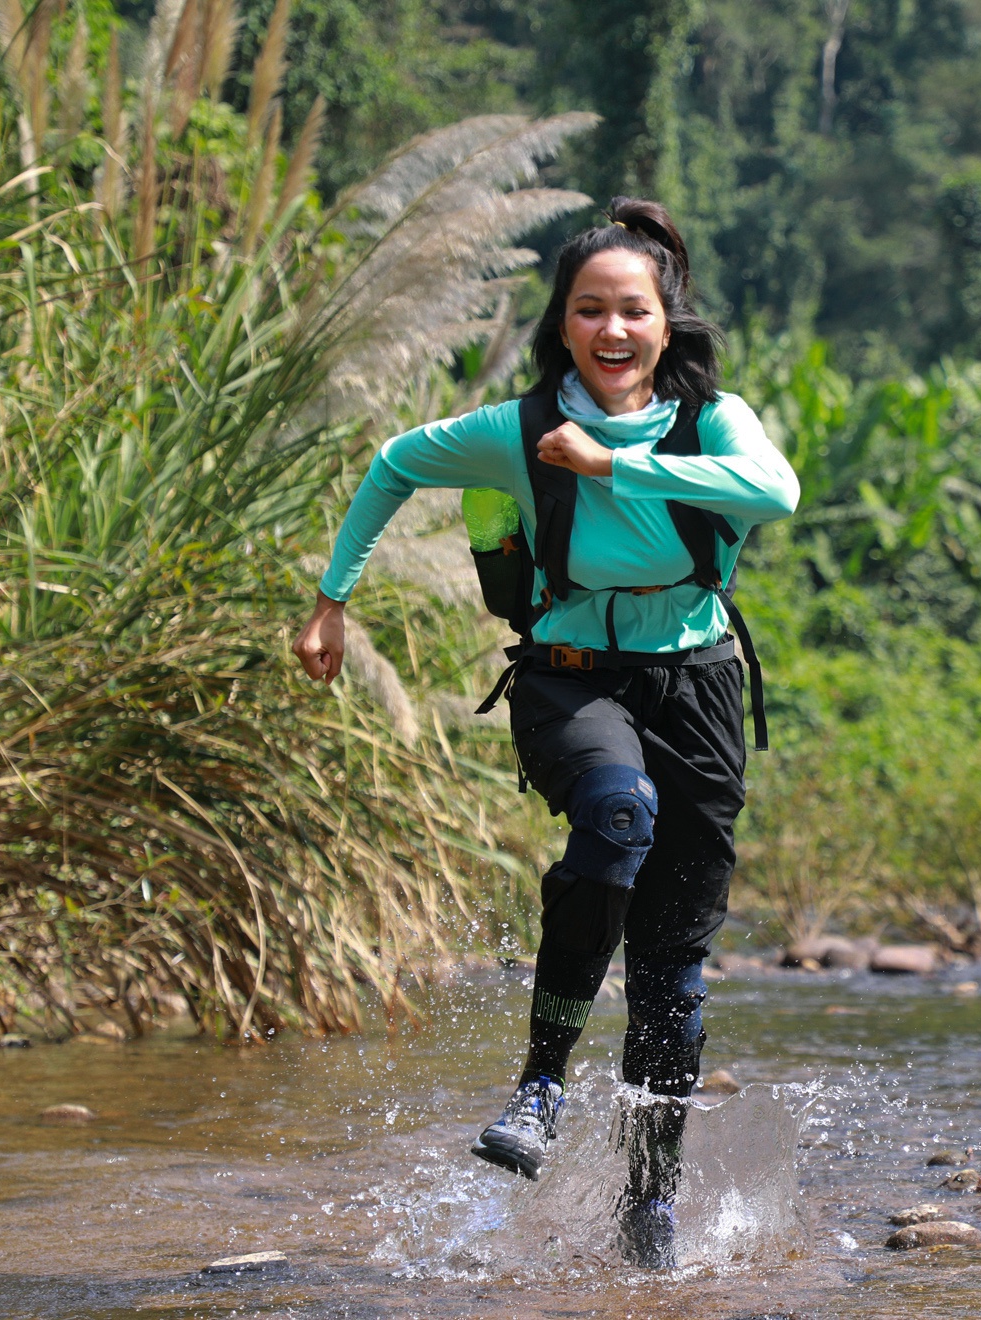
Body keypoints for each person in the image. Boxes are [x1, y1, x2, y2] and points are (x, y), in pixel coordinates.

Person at [290, 197, 798, 1266]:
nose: (613, 332)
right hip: (572, 681)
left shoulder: (713, 422)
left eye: (634, 311)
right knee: (618, 817)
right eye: (589, 311)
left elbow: (775, 491)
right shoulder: (514, 435)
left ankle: (649, 1207)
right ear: (561, 325)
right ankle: (539, 1088)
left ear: (667, 322)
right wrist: (332, 600)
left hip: (698, 689)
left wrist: (615, 465)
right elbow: (391, 464)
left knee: (674, 972)